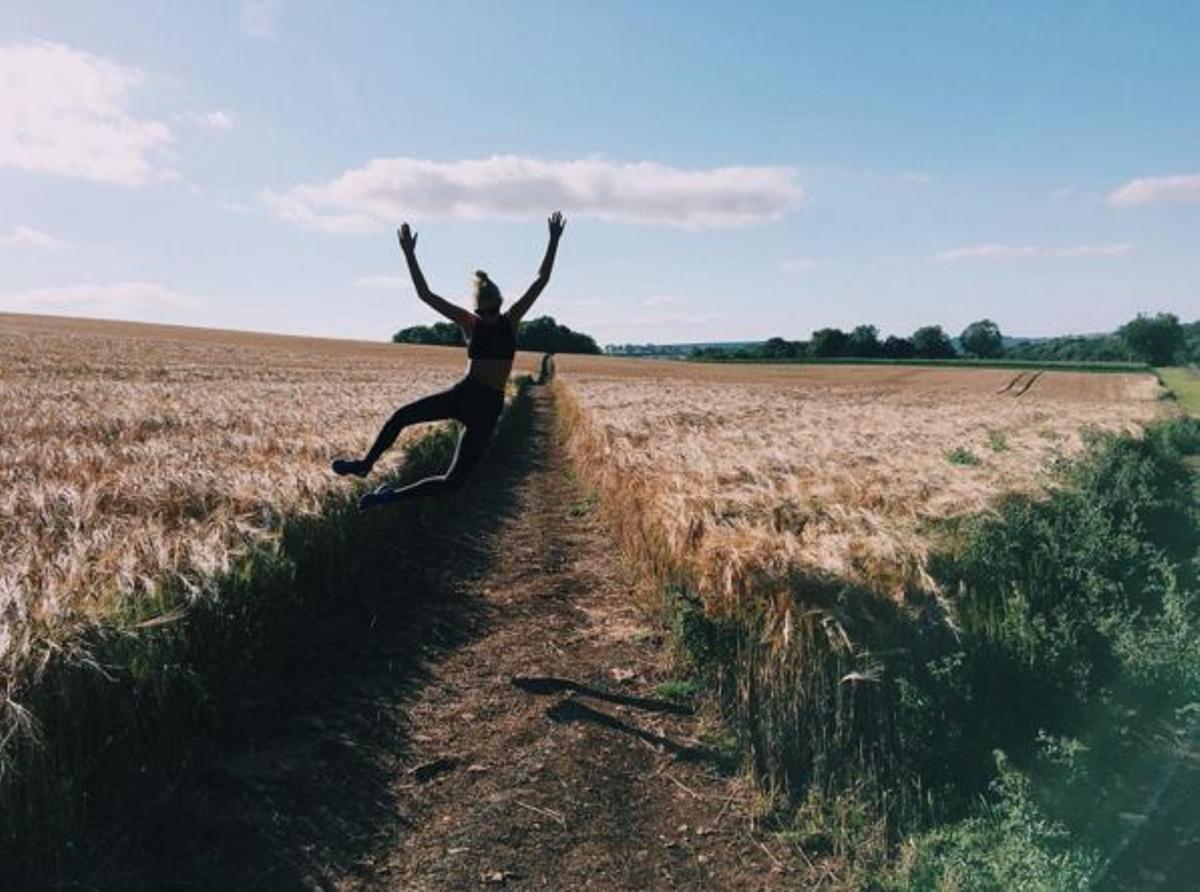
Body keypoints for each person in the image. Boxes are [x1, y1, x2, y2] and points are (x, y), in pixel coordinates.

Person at [332, 211, 566, 510]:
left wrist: (409, 255)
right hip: (484, 404)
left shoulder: (472, 322)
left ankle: (379, 483)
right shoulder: (508, 320)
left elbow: (425, 294)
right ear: (498, 303)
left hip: (469, 398)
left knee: (405, 422)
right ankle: (374, 478)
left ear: (479, 307)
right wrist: (553, 240)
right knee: (451, 480)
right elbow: (541, 279)